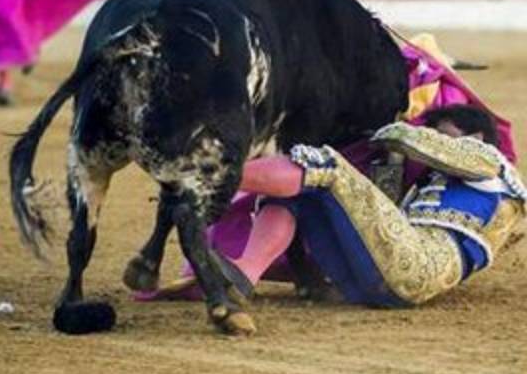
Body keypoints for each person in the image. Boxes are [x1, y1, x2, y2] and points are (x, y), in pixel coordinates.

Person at [211, 105, 525, 308]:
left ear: (476, 137)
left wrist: (390, 124)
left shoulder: (491, 162)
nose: (437, 138)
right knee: (301, 192)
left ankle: (210, 174)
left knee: (326, 163)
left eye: (445, 134)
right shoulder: (439, 184)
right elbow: (377, 207)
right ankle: (244, 276)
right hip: (372, 288)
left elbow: (410, 140)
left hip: (415, 266)